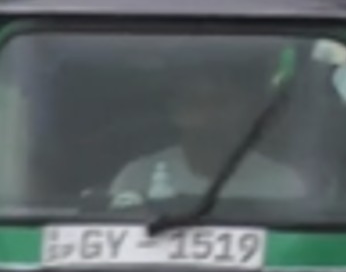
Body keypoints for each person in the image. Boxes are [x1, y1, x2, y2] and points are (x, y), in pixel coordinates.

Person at [109, 77, 307, 208]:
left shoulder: (282, 183)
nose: (209, 115)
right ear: (177, 114)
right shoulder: (136, 178)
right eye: (196, 103)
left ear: (244, 111)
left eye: (220, 103)